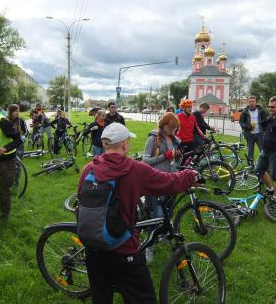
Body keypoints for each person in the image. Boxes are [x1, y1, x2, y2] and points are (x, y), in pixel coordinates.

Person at [77, 122, 197, 304]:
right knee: (143, 298)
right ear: (125, 144)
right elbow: (168, 181)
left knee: (101, 297)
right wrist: (191, 175)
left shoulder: (89, 168)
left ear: (104, 144)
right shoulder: (134, 169)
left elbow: (81, 202)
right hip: (123, 249)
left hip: (93, 246)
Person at [142, 112, 181, 263]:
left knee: (168, 214)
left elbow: (175, 162)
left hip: (171, 181)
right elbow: (145, 162)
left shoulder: (174, 139)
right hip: (157, 182)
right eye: (170, 128)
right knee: (157, 218)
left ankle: (162, 236)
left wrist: (177, 157)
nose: (172, 130)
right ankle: (148, 247)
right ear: (163, 125)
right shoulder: (153, 139)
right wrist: (165, 156)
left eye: (174, 128)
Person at [239, 96, 268, 160]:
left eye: (253, 101)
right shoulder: (244, 112)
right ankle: (251, 166)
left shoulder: (261, 110)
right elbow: (241, 123)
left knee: (263, 151)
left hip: (259, 134)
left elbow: (265, 121)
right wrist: (248, 126)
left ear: (256, 102)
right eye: (250, 101)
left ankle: (265, 166)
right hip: (249, 135)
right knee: (250, 152)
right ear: (248, 103)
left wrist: (265, 131)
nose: (251, 103)